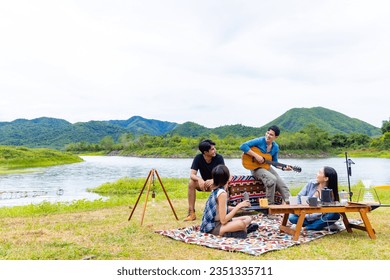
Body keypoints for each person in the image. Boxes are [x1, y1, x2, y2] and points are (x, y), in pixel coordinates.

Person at [200, 164, 259, 238]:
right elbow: (223, 220)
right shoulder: (222, 193)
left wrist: (241, 207)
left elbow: (222, 208)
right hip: (213, 227)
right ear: (226, 178)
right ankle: (239, 231)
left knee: (248, 218)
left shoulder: (216, 189)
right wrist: (238, 207)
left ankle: (241, 230)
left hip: (217, 223)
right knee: (241, 224)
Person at [239, 125, 291, 204]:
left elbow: (275, 162)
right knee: (271, 179)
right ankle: (269, 206)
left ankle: (291, 205)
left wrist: (283, 168)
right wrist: (256, 156)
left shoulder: (275, 147)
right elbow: (243, 146)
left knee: (282, 185)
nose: (268, 136)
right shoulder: (260, 140)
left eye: (271, 135)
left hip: (266, 167)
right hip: (255, 168)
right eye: (267, 133)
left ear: (276, 137)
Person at [183, 139, 225, 221]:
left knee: (224, 183)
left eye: (214, 148)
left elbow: (223, 174)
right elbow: (192, 174)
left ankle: (222, 212)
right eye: (212, 149)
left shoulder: (219, 158)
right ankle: (191, 213)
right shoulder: (198, 158)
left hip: (216, 183)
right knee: (191, 183)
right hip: (204, 184)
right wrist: (200, 179)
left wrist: (213, 180)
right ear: (205, 152)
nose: (215, 150)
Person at [289, 166, 341, 231]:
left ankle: (306, 228)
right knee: (292, 218)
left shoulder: (330, 192)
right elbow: (299, 196)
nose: (317, 174)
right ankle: (320, 225)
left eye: (319, 173)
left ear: (326, 178)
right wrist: (299, 210)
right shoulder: (311, 183)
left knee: (335, 215)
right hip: (305, 215)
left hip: (320, 217)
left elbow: (330, 209)